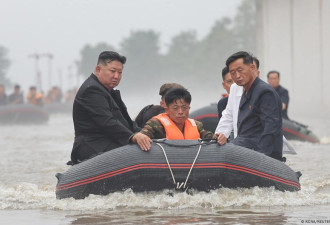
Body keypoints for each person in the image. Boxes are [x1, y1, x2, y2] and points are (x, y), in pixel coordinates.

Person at [70, 51, 144, 164]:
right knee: (135, 155)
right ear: (98, 70)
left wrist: (144, 133)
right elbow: (107, 122)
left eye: (120, 72)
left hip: (109, 142)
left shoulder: (109, 91)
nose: (116, 76)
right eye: (112, 71)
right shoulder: (91, 90)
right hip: (92, 145)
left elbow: (126, 121)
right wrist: (132, 137)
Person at [218, 51, 283, 161]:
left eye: (240, 70)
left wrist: (262, 159)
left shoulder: (264, 92)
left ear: (252, 68)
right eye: (233, 72)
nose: (237, 76)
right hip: (243, 147)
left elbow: (271, 129)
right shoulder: (245, 91)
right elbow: (228, 116)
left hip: (259, 154)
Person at [132, 88, 216, 151]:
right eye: (175, 108)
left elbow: (209, 137)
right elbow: (143, 136)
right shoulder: (156, 124)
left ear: (189, 108)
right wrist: (137, 136)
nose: (180, 112)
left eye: (184, 108)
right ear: (167, 109)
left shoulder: (196, 125)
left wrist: (219, 137)